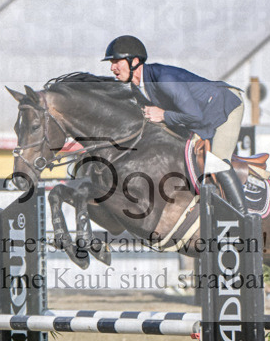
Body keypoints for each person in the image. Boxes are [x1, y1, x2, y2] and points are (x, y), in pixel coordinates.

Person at [103, 34, 247, 210]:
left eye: (117, 61)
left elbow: (195, 116)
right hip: (200, 117)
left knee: (217, 160)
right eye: (111, 63)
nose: (112, 68)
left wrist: (163, 114)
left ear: (134, 61)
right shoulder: (136, 88)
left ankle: (244, 215)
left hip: (225, 106)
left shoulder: (164, 79)